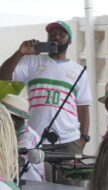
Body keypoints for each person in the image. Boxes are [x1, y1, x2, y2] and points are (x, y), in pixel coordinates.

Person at [0, 21, 92, 153]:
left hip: (69, 139)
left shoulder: (78, 71)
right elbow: (3, 77)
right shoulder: (31, 61)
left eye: (61, 34)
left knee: (66, 174)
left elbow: (83, 107)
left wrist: (83, 138)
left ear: (69, 40)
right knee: (35, 174)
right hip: (36, 137)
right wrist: (20, 53)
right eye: (52, 34)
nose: (56, 37)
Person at [1, 93, 44, 182]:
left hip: (29, 183)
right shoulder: (17, 131)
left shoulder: (26, 139)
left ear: (13, 120)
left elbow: (10, 164)